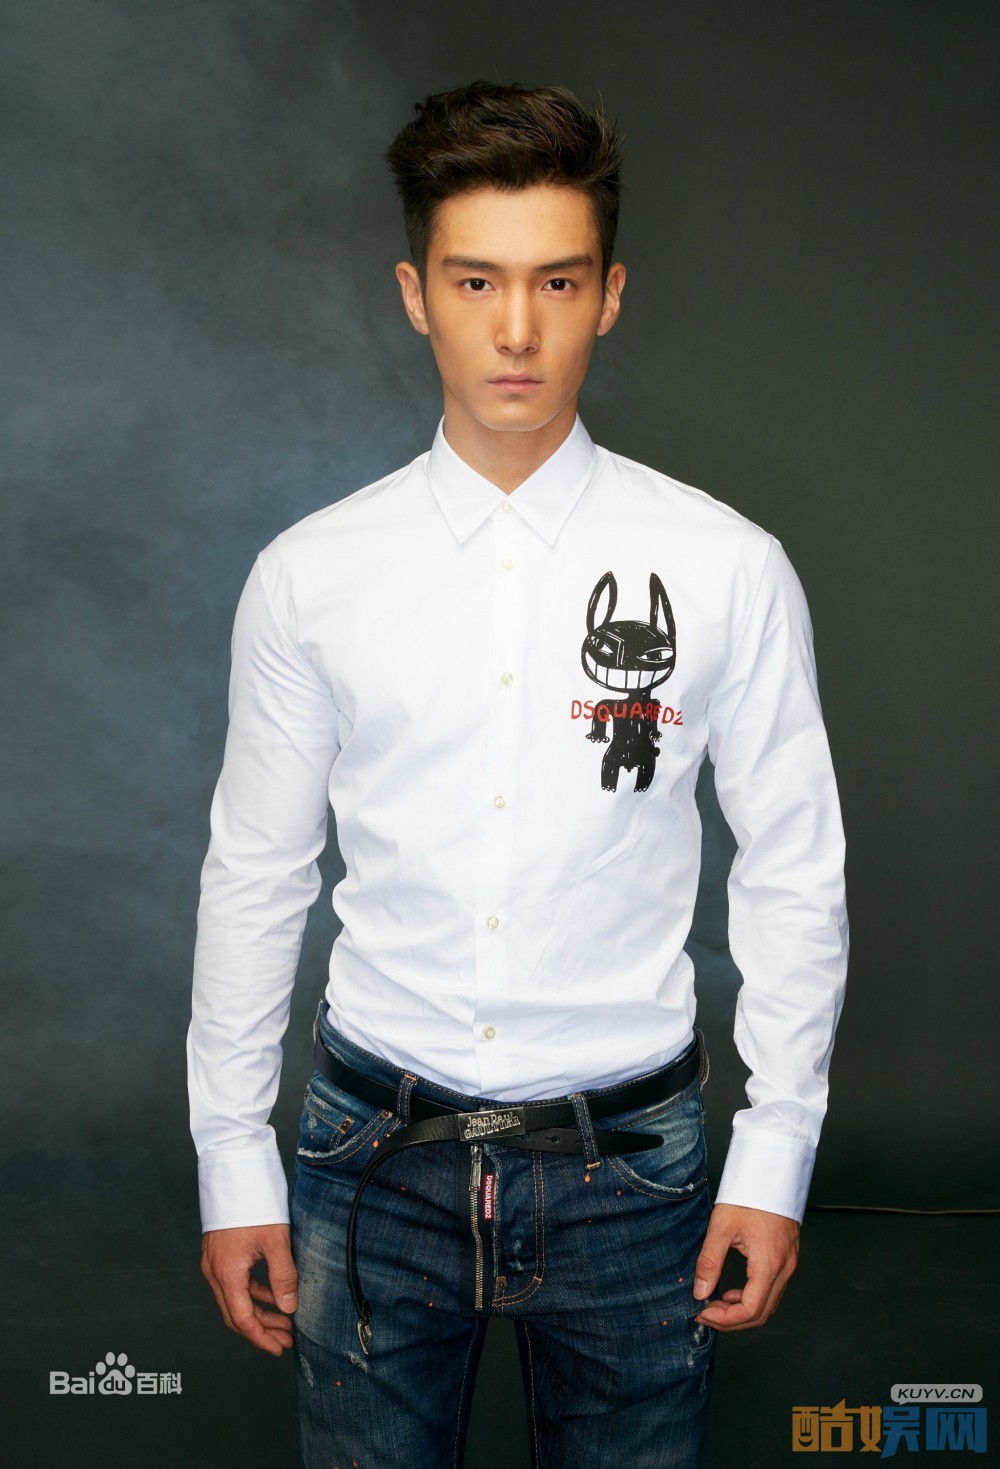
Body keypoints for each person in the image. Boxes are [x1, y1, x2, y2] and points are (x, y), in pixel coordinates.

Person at [187, 79, 849, 1469]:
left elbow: (793, 869)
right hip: (369, 1158)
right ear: (414, 294)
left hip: (634, 1168)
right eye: (475, 279)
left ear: (609, 296)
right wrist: (230, 1156)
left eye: (557, 281)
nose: (516, 329)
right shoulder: (311, 576)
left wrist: (776, 1151)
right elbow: (257, 870)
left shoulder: (728, 567)